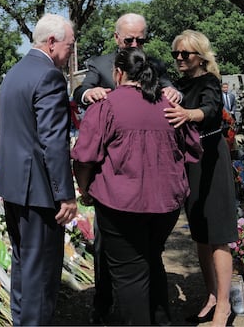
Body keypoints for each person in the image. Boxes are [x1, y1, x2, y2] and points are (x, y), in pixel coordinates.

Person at [72, 48, 202, 325]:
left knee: (129, 274)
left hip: (121, 206)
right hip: (165, 205)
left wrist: (84, 190)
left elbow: (84, 158)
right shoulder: (168, 105)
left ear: (118, 73)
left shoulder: (107, 105)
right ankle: (162, 321)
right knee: (151, 260)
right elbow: (193, 148)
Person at [0, 13, 77, 326]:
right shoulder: (49, 76)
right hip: (40, 192)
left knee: (24, 267)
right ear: (52, 42)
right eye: (70, 46)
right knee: (41, 274)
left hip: (14, 187)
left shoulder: (15, 73)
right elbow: (53, 143)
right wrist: (66, 195)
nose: (71, 52)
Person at [165, 30, 238, 327]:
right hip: (189, 163)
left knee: (219, 235)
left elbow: (211, 110)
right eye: (176, 54)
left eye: (186, 54)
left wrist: (188, 114)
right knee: (200, 234)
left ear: (200, 56)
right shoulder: (177, 85)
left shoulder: (209, 81)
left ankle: (224, 305)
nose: (180, 58)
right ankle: (210, 295)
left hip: (210, 159)